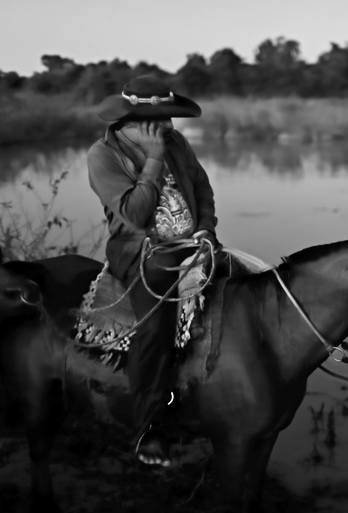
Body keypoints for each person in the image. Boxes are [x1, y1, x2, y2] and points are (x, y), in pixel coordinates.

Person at [88, 75, 218, 466]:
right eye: (160, 118)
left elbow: (202, 186)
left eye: (169, 117)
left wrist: (207, 228)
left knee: (246, 284)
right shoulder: (104, 154)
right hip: (142, 252)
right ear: (134, 120)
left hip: (193, 242)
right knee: (154, 331)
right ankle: (148, 428)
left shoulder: (176, 142)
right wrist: (154, 158)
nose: (169, 125)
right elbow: (135, 213)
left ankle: (214, 396)